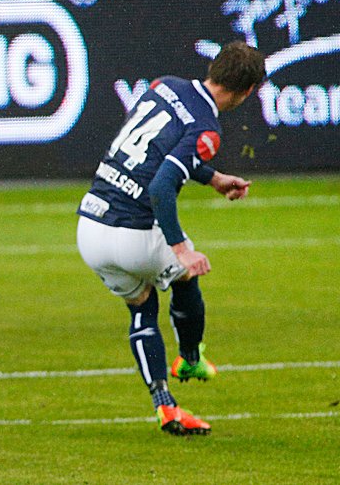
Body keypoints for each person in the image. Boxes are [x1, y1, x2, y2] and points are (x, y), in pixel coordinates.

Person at [76, 42, 265, 437]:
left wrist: (213, 178)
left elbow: (152, 152)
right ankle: (191, 358)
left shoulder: (164, 86)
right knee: (185, 275)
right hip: (133, 233)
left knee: (142, 308)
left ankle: (165, 405)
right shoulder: (207, 128)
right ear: (248, 91)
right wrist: (183, 251)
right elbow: (161, 186)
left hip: (90, 226)